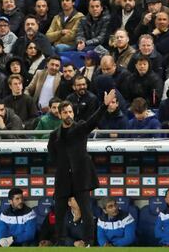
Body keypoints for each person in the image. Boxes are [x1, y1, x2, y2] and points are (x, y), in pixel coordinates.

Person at [47, 89, 116, 246]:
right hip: (63, 178)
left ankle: (88, 242)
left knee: (86, 211)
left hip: (81, 177)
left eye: (70, 111)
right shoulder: (54, 135)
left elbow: (93, 121)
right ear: (59, 115)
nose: (68, 115)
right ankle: (60, 242)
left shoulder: (80, 128)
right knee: (59, 212)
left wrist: (104, 106)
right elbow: (52, 156)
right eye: (65, 112)